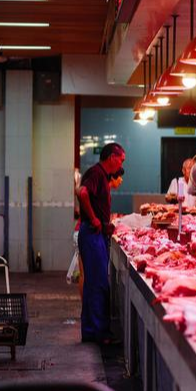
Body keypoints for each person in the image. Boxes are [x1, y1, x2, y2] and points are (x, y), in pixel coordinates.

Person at [77, 142, 125, 345]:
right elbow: (82, 193)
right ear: (112, 157)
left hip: (94, 234)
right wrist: (94, 218)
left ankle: (91, 330)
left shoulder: (102, 175)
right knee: (98, 285)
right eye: (121, 159)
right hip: (92, 233)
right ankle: (99, 333)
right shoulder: (96, 173)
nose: (121, 164)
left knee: (93, 285)